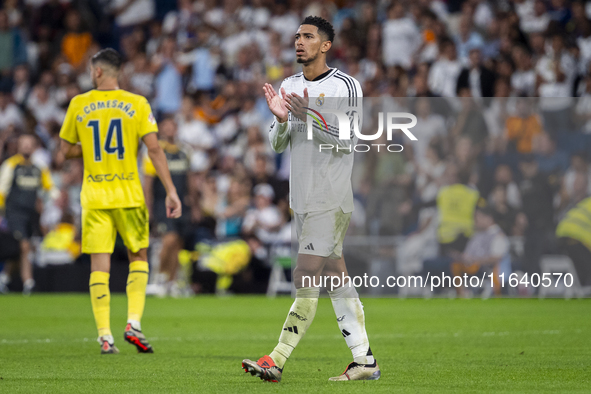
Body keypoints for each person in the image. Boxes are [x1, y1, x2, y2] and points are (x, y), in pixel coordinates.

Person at [242, 16, 380, 383]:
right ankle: (364, 360)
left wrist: (311, 117)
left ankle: (276, 358)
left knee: (305, 274)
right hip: (300, 199)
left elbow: (349, 140)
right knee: (335, 277)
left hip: (330, 197)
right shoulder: (288, 85)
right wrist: (283, 120)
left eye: (308, 36)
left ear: (325, 45)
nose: (299, 41)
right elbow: (277, 142)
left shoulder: (346, 86)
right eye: (297, 36)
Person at [59, 48, 182, 354]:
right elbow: (154, 150)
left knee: (99, 266)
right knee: (138, 258)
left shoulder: (79, 103)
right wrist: (171, 190)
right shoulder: (136, 103)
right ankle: (133, 324)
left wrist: (88, 146)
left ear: (97, 71)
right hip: (129, 194)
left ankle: (105, 335)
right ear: (118, 72)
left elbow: (65, 151)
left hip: (95, 196)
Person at [0, 134, 59, 295]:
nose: (26, 147)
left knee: (20, 249)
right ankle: (29, 282)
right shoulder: (10, 165)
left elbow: (50, 187)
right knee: (24, 245)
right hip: (14, 213)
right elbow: (2, 190)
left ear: (34, 147)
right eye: (23, 144)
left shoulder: (38, 167)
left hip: (30, 214)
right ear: (18, 146)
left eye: (29, 144)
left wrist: (55, 198)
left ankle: (4, 278)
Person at [142, 116, 191, 297]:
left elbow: (189, 179)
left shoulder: (184, 151)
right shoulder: (155, 151)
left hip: (182, 203)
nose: (170, 129)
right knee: (169, 239)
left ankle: (171, 282)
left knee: (178, 242)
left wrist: (193, 202)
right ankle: (160, 277)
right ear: (161, 128)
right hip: (162, 202)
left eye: (173, 125)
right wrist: (148, 208)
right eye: (167, 126)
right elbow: (148, 183)